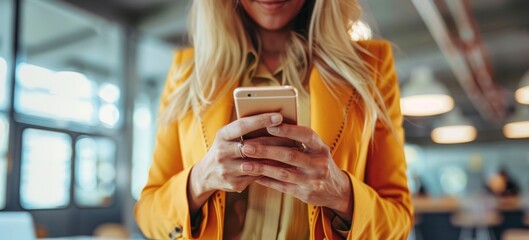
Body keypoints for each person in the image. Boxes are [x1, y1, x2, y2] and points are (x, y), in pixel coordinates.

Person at [134, 0, 413, 239]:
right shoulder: (186, 72)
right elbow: (148, 214)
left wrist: (341, 193)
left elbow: (399, 220)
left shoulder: (372, 65)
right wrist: (199, 180)